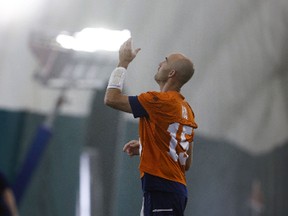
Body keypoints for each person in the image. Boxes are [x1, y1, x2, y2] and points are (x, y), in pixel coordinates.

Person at [104, 38, 198, 216]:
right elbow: (186, 161)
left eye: (165, 60)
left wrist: (123, 62)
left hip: (161, 189)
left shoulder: (158, 101)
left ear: (171, 73)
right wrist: (146, 144)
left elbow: (111, 98)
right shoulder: (187, 109)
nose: (160, 63)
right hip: (173, 190)